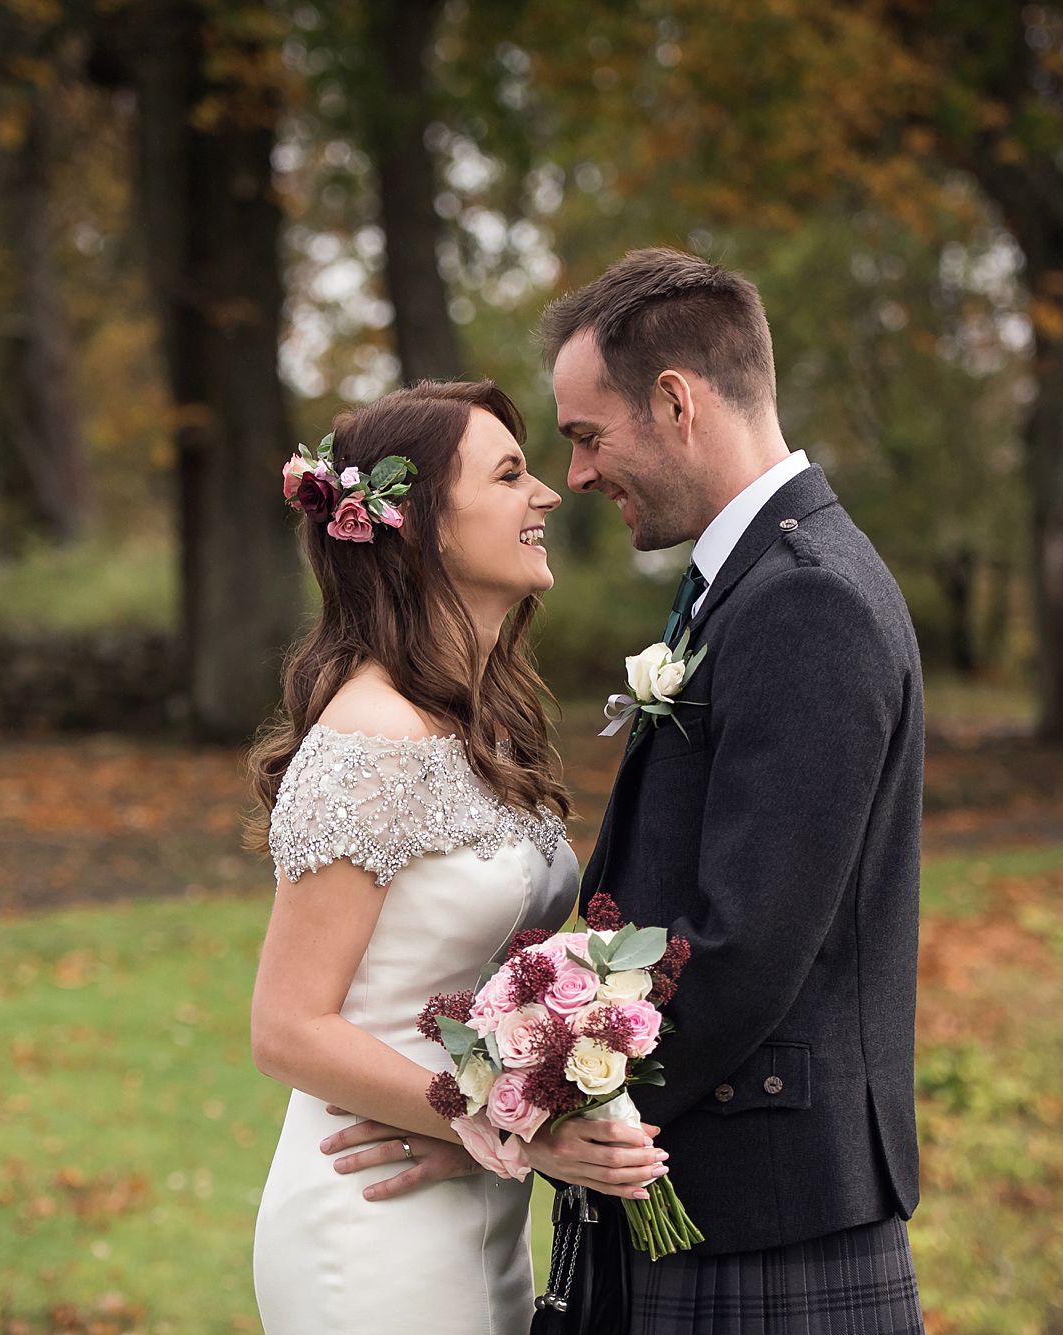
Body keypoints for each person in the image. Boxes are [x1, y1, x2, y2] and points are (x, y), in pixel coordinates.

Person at [522, 245, 929, 1332]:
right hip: (723, 1190)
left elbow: (746, 942)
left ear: (673, 400)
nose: (576, 476)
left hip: (760, 1211)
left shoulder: (806, 601)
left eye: (585, 436)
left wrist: (566, 1098)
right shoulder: (756, 583)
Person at [247, 380, 665, 1334]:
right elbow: (287, 1025)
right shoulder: (370, 740)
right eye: (512, 473)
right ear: (427, 524)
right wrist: (527, 1124)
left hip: (472, 1193)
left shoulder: (482, 722)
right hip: (372, 1219)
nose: (549, 494)